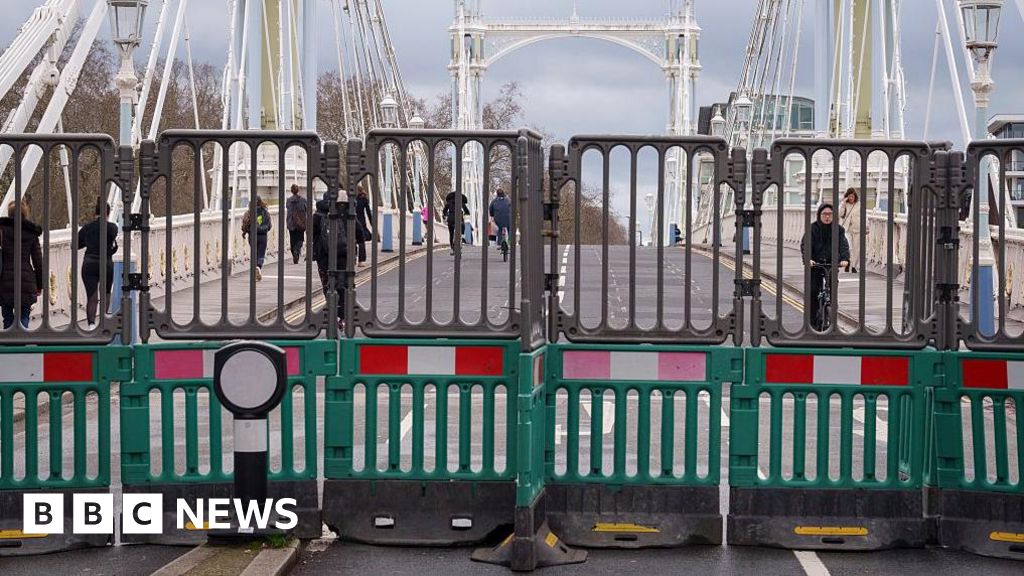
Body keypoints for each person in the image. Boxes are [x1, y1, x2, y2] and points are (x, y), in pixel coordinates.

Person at [802, 203, 850, 331]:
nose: (827, 217)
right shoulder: (813, 228)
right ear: (819, 215)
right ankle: (812, 321)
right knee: (813, 291)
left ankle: (832, 317)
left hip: (831, 264)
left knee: (833, 290)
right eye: (824, 214)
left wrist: (845, 259)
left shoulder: (838, 230)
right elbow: (806, 245)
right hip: (816, 264)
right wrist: (808, 259)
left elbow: (843, 245)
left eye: (830, 214)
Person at [0, 200, 43, 329]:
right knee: (24, 315)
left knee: (7, 316)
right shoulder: (31, 233)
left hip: (4, 279)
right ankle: (22, 340)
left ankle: (10, 343)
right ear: (25, 214)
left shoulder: (1, 230)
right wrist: (40, 285)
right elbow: (38, 262)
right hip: (26, 281)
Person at [77, 198, 118, 329]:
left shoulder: (87, 228)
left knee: (92, 296)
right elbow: (112, 239)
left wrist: (87, 242)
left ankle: (91, 325)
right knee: (105, 293)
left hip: (89, 263)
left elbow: (76, 245)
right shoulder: (112, 227)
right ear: (108, 212)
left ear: (95, 212)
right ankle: (104, 322)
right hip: (106, 263)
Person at [312, 192, 348, 330]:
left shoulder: (317, 216)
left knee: (327, 285)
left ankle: (332, 313)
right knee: (342, 285)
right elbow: (356, 231)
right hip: (340, 255)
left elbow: (311, 235)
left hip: (322, 257)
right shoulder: (343, 214)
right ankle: (342, 316)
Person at [241, 196, 272, 281]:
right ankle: (258, 267)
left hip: (252, 236)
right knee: (261, 254)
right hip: (263, 236)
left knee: (254, 253)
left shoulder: (249, 213)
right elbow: (269, 226)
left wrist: (246, 231)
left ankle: (254, 269)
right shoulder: (265, 212)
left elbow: (244, 225)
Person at [838, 188, 863, 273]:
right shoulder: (844, 204)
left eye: (852, 196)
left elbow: (864, 216)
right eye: (849, 196)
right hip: (847, 229)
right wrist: (843, 204)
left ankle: (853, 266)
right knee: (849, 247)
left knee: (856, 248)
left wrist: (866, 227)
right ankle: (848, 262)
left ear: (855, 196)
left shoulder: (859, 205)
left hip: (858, 228)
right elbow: (840, 214)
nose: (851, 198)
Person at [285, 184, 308, 264]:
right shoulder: (303, 200)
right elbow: (306, 209)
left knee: (292, 240)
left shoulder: (288, 200)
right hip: (300, 223)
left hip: (291, 223)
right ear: (298, 190)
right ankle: (297, 251)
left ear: (291, 191)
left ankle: (294, 253)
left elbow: (288, 208)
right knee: (300, 239)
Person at [443, 190, 470, 255]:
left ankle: (452, 248)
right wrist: (465, 214)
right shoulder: (461, 202)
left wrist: (445, 214)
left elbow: (444, 211)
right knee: (460, 229)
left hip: (451, 219)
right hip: (458, 219)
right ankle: (462, 238)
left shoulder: (449, 202)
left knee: (451, 234)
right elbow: (467, 211)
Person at [355, 184, 373, 267]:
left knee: (352, 242)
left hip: (352, 221)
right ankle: (361, 261)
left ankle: (352, 259)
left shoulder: (351, 199)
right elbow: (368, 212)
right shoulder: (364, 199)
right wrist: (372, 223)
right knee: (361, 242)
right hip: (361, 223)